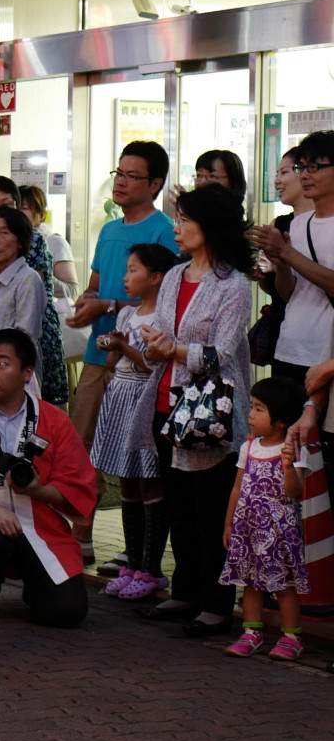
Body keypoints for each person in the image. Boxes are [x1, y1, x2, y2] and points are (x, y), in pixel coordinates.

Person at [129, 183, 253, 638]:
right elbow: (159, 334)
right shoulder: (175, 275)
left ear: (210, 227)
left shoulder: (234, 285)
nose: (177, 228)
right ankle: (184, 592)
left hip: (210, 412)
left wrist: (173, 349)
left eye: (184, 220)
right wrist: (156, 344)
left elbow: (221, 353)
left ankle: (216, 605)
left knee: (210, 511)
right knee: (178, 507)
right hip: (166, 403)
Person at [66, 141, 179, 567]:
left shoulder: (164, 231)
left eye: (133, 176)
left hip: (140, 362)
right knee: (83, 445)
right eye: (119, 172)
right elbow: (96, 283)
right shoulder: (109, 229)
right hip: (100, 353)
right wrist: (87, 300)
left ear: (155, 184)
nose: (121, 182)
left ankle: (141, 556)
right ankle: (82, 534)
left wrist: (108, 306)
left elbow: (164, 300)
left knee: (138, 458)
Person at [0, 329, 99, 628]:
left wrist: (38, 490)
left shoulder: (54, 419)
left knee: (67, 613)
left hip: (41, 526)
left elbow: (77, 485)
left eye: (2, 363)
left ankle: (37, 588)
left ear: (27, 373)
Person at [90, 243, 179, 602]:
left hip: (144, 400)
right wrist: (113, 345)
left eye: (133, 270)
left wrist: (124, 348)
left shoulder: (164, 319)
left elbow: (152, 365)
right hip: (120, 397)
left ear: (156, 277)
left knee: (150, 483)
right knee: (127, 484)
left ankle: (151, 569)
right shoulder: (128, 314)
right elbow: (114, 364)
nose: (125, 278)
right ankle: (132, 564)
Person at [221, 377, 311, 661]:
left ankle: (291, 638)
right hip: (248, 527)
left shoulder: (294, 448)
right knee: (250, 582)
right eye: (252, 406)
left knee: (284, 585)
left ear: (282, 420)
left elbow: (295, 492)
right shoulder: (249, 447)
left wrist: (288, 466)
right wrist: (229, 523)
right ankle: (252, 633)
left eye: (259, 409)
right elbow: (238, 488)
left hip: (280, 531)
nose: (251, 414)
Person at [249, 131, 334, 383]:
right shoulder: (297, 224)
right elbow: (289, 295)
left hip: (325, 353)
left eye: (314, 167)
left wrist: (286, 252)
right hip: (289, 346)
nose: (304, 175)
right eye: (301, 167)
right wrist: (282, 265)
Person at [245, 148, 311, 372]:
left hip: (316, 337)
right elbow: (274, 289)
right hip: (284, 330)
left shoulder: (324, 224)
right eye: (276, 174)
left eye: (284, 172)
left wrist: (285, 257)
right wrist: (263, 274)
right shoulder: (278, 225)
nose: (277, 181)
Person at [0, 206, 46, 393]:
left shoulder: (28, 279)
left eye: (4, 233)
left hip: (15, 379)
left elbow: (24, 338)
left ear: (20, 242)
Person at [17, 185, 78, 301]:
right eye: (15, 208)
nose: (17, 214)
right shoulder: (9, 243)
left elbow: (72, 291)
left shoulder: (55, 243)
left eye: (23, 208)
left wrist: (43, 275)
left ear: (41, 214)